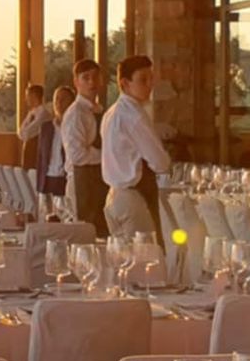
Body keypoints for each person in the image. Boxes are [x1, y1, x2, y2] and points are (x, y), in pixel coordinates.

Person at [102, 55, 171, 239]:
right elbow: (160, 162)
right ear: (124, 84)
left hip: (112, 199)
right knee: (144, 260)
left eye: (151, 79)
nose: (150, 85)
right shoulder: (133, 116)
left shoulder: (111, 113)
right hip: (132, 200)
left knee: (122, 261)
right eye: (143, 80)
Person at [61, 59, 107, 236]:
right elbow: (77, 155)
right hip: (82, 183)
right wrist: (107, 156)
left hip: (98, 181)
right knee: (86, 236)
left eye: (95, 77)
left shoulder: (98, 110)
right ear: (76, 82)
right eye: (85, 78)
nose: (91, 82)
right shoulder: (76, 114)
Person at [39, 84, 74, 200]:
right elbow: (40, 157)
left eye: (63, 99)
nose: (59, 103)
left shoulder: (73, 127)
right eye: (56, 99)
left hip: (65, 179)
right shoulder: (46, 127)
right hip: (48, 179)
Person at [16, 83, 49, 177]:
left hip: (36, 150)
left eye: (28, 96)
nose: (26, 99)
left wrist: (24, 132)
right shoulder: (31, 113)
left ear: (34, 96)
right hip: (28, 148)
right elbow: (20, 132)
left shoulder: (43, 114)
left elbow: (27, 133)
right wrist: (24, 132)